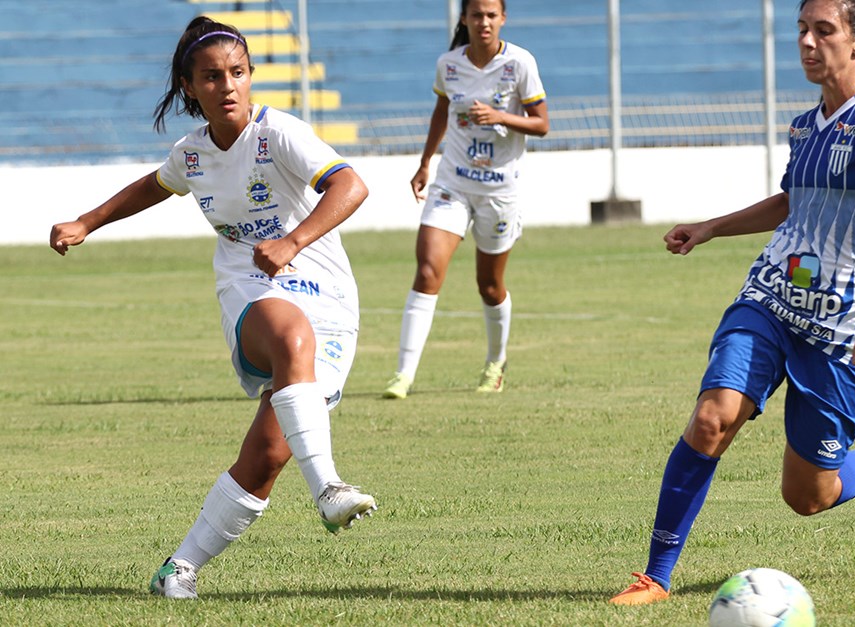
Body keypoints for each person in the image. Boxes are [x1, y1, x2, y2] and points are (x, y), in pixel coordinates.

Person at [610, 0, 855, 606]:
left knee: (808, 497)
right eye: (801, 31)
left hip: (843, 330)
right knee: (712, 419)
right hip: (772, 299)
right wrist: (709, 227)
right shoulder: (807, 124)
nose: (808, 42)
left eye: (823, 31)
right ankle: (654, 576)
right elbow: (791, 201)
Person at [49, 17, 378, 599]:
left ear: (250, 77)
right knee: (289, 334)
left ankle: (178, 569)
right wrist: (86, 222)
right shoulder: (192, 153)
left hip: (328, 298)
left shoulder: (282, 134)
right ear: (189, 86)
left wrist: (293, 242)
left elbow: (351, 186)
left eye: (238, 73)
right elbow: (155, 185)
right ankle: (328, 488)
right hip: (250, 290)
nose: (227, 85)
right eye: (211, 76)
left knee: (272, 452)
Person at [382, 0, 549, 399]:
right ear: (464, 19)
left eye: (492, 15)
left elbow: (542, 124)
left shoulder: (520, 63)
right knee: (426, 272)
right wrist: (425, 163)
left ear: (503, 19)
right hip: (451, 183)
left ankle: (496, 363)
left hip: (498, 190)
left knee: (489, 286)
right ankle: (402, 375)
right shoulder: (449, 64)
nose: (484, 22)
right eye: (477, 14)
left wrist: (501, 117)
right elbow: (441, 111)